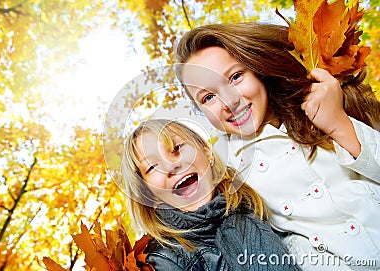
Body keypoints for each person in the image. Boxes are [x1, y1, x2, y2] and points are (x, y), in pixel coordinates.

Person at [174, 22, 380, 270]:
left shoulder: (324, 98)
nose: (228, 101)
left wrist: (339, 124)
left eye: (235, 77)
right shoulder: (225, 170)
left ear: (257, 68)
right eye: (208, 97)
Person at [121, 119, 301, 270]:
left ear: (206, 152)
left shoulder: (254, 209)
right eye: (152, 167)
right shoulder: (164, 259)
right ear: (148, 194)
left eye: (177, 148)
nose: (170, 166)